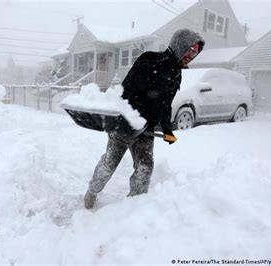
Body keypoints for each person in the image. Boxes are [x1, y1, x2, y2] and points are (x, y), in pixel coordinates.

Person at [84, 29, 205, 209]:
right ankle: (91, 192)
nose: (192, 54)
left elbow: (166, 105)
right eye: (190, 49)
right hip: (125, 124)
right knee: (109, 164)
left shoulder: (177, 73)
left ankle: (134, 207)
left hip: (146, 130)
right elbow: (126, 90)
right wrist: (128, 116)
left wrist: (167, 130)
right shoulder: (150, 59)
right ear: (180, 45)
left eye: (195, 52)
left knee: (145, 169)